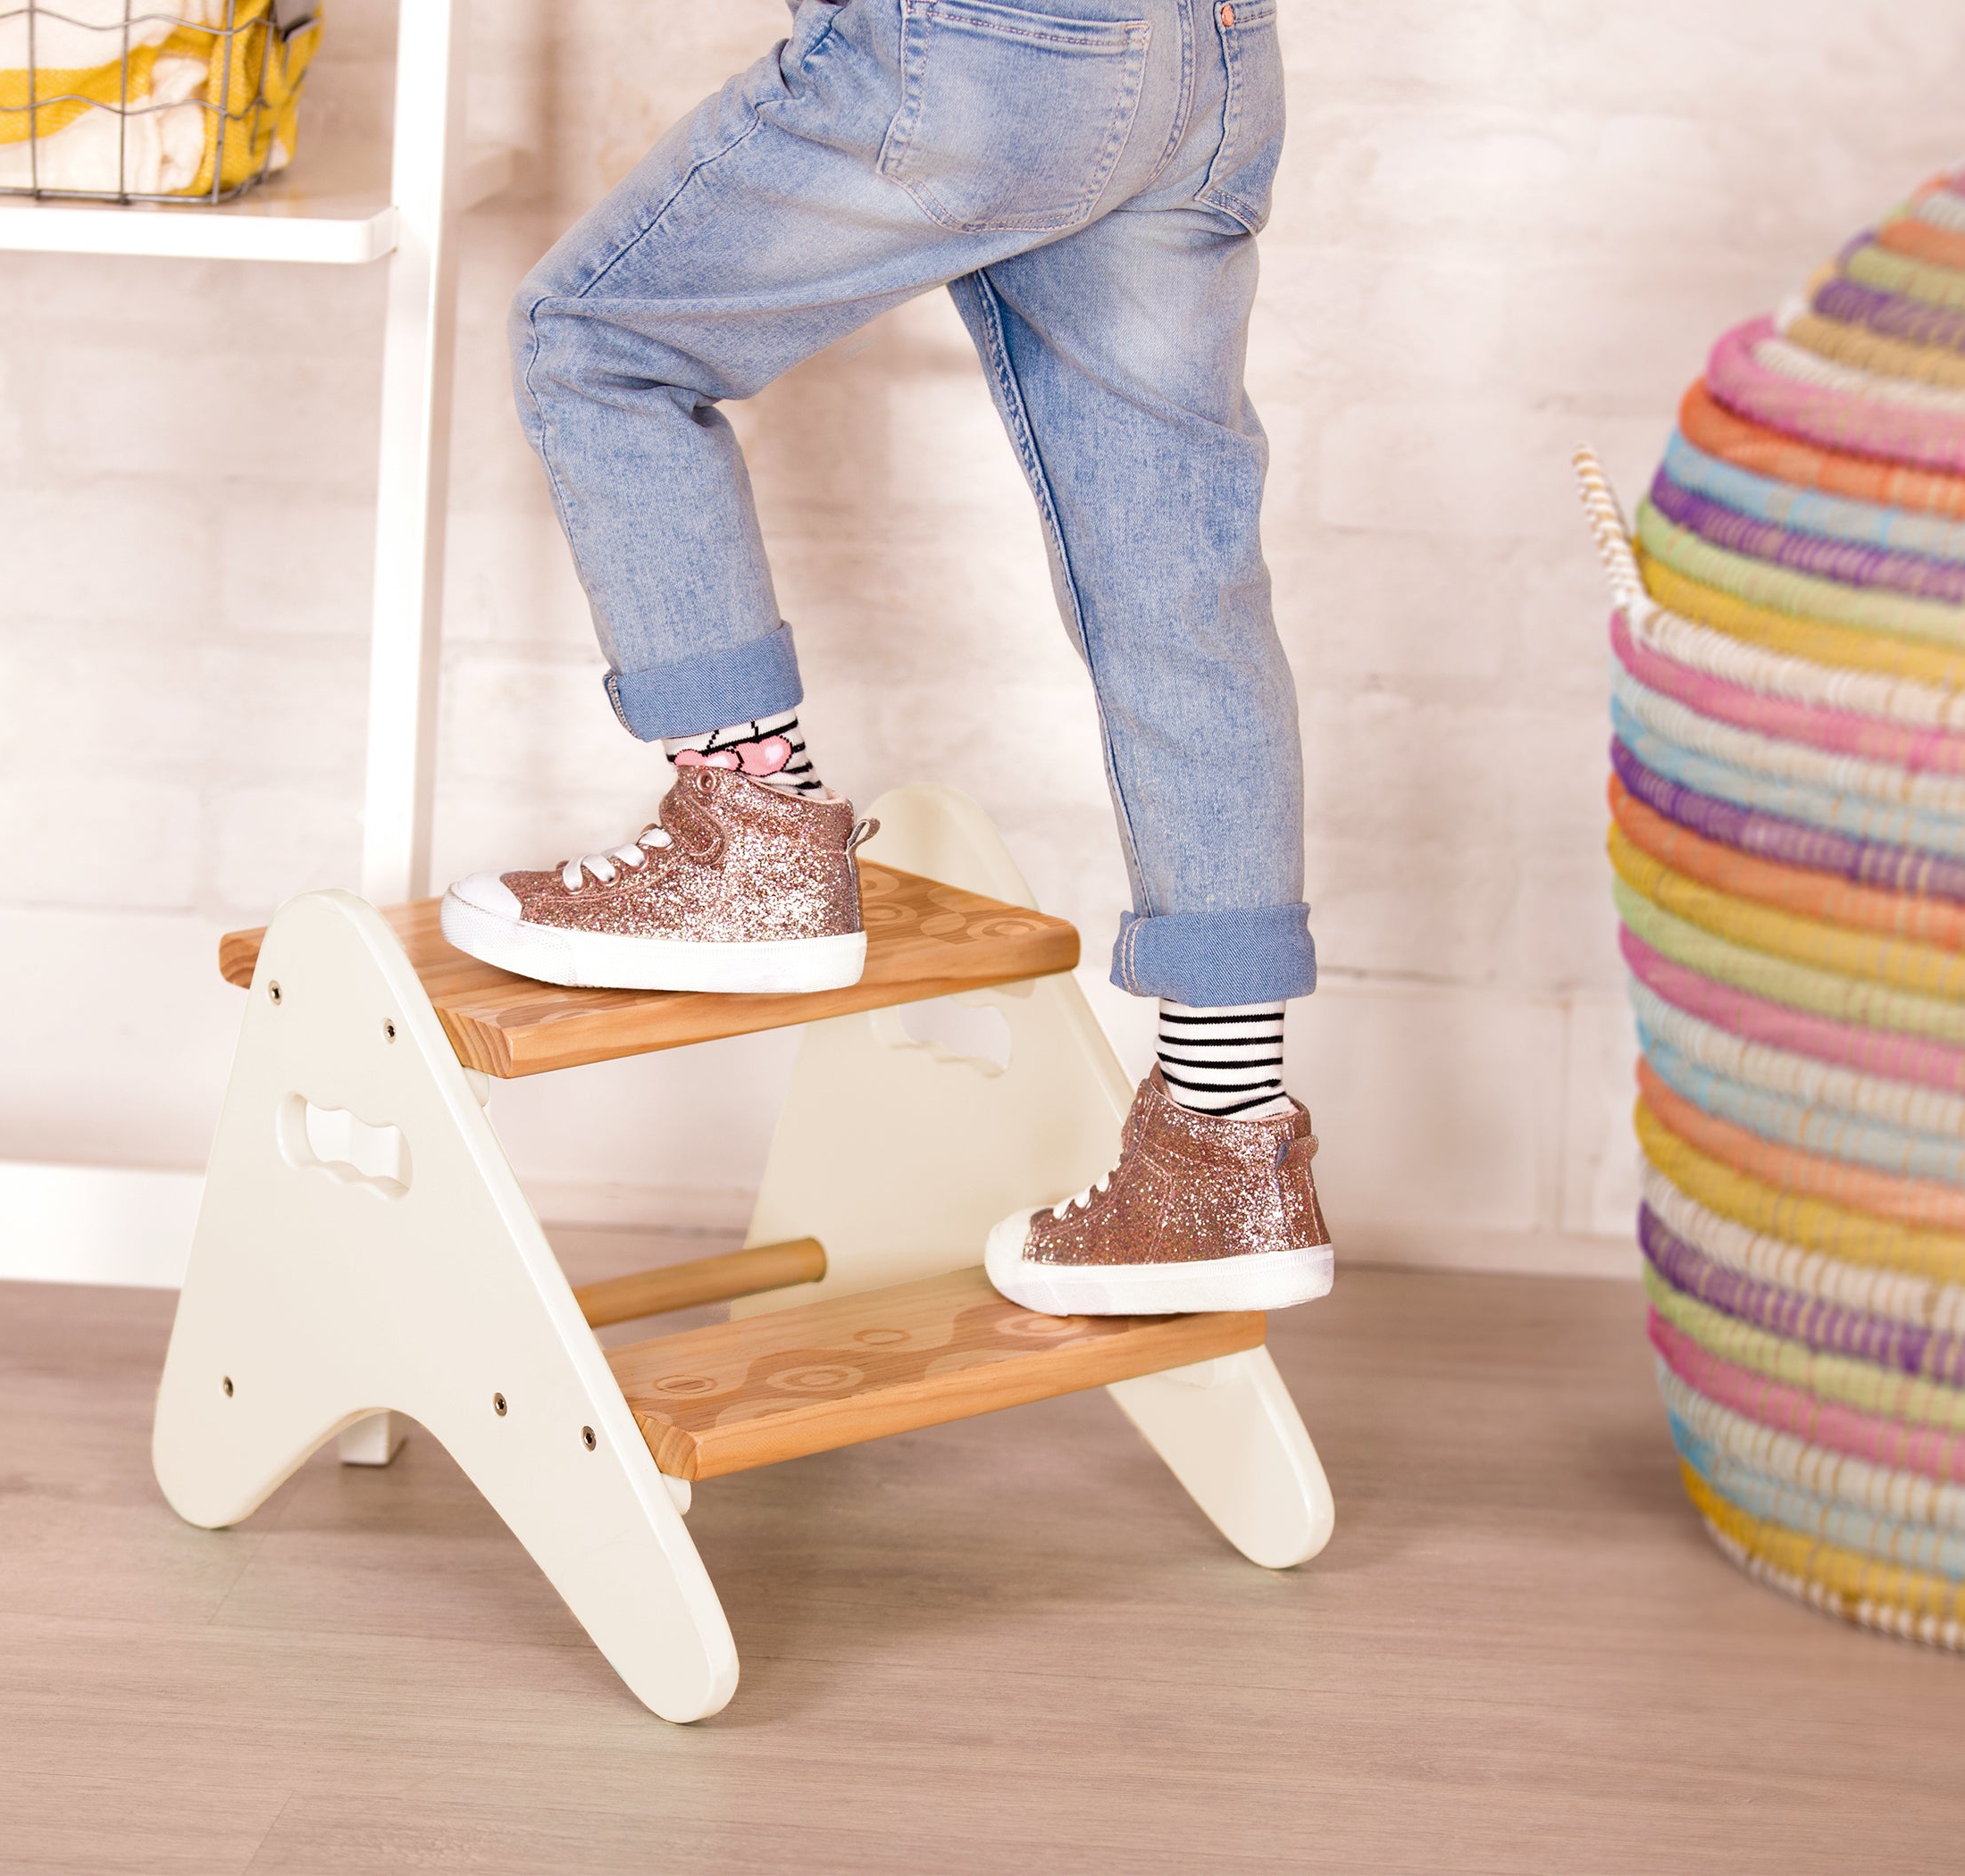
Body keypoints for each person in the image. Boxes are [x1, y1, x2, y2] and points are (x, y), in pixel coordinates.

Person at [439, 0, 1330, 1317]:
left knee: (594, 344)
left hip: (993, 44)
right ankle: (1225, 1150)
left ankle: (752, 836)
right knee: (1177, 575)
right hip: (1210, 54)